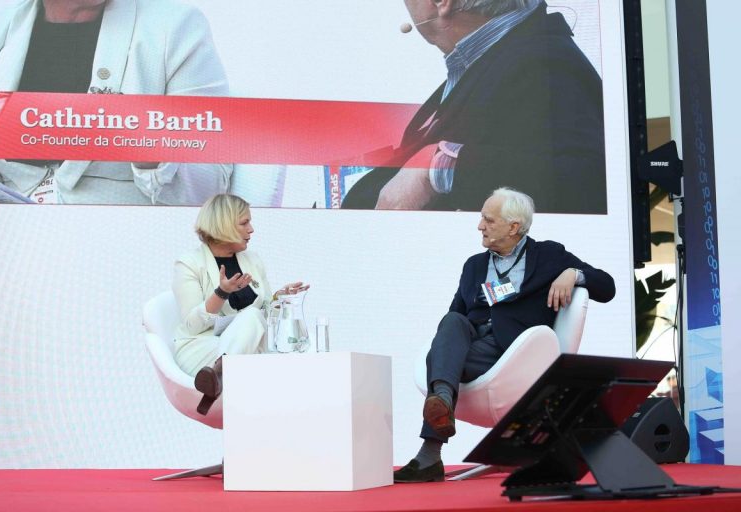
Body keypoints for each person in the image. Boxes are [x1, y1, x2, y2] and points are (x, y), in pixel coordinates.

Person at [393, 187, 615, 483]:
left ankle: (430, 451)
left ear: (513, 227)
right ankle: (442, 399)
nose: (479, 226)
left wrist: (574, 274)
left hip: (512, 351)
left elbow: (607, 287)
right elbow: (456, 314)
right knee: (452, 321)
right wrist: (448, 346)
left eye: (488, 220)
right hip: (472, 344)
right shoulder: (474, 265)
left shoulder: (548, 255)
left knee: (442, 362)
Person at [342, 0, 606, 214]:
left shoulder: (544, 62)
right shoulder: (499, 56)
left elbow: (588, 181)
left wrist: (440, 166)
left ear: (441, 2)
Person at [0, 0, 233, 205]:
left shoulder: (176, 26)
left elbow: (212, 182)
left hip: (121, 232)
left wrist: (148, 146)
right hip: (10, 231)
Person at [172, 193, 308, 414]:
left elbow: (263, 317)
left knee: (258, 325)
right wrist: (221, 293)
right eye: (244, 223)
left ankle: (220, 376)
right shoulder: (189, 264)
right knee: (252, 321)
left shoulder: (252, 260)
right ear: (223, 225)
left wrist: (279, 299)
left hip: (244, 349)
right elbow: (191, 325)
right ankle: (219, 374)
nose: (251, 230)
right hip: (202, 349)